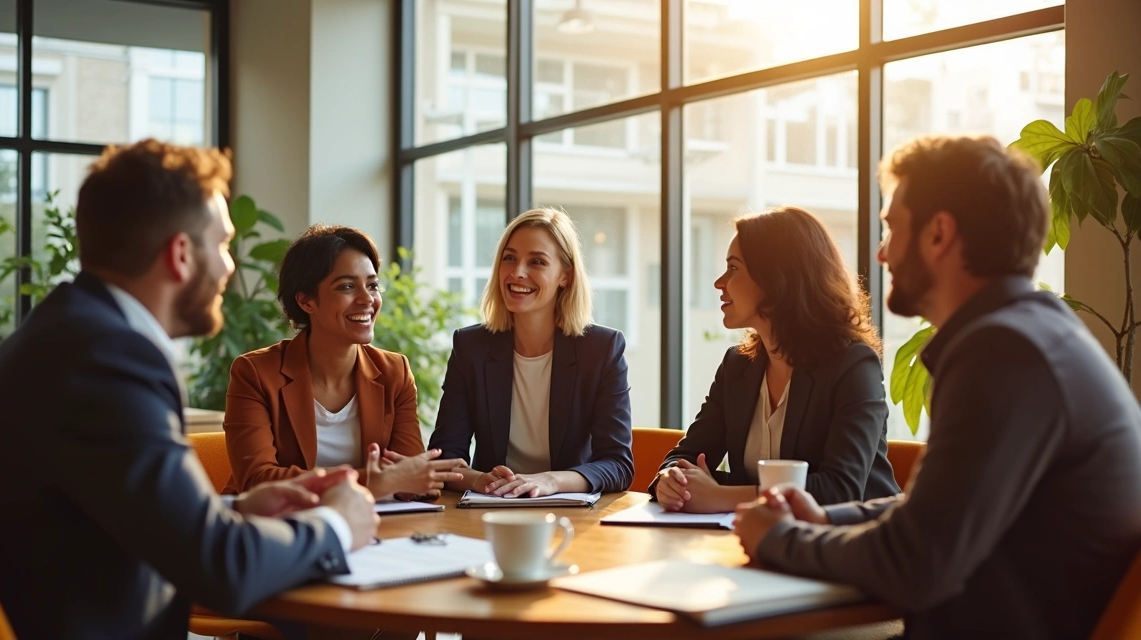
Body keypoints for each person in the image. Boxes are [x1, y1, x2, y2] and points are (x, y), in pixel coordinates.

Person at [0, 139, 378, 640]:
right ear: (181, 254)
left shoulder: (70, 334)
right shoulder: (105, 358)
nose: (229, 267)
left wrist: (235, 511)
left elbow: (110, 518)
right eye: (223, 245)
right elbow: (220, 569)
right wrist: (337, 526)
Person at [735, 134, 1141, 639]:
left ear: (938, 234)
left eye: (891, 228)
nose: (881, 255)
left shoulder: (1006, 353)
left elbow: (916, 560)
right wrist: (825, 519)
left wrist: (780, 539)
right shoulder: (1033, 335)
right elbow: (933, 510)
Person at [652, 206, 899, 513]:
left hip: (849, 547)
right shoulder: (738, 365)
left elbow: (840, 489)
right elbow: (686, 456)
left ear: (776, 279)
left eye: (733, 268)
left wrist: (722, 497)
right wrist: (671, 479)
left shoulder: (853, 365)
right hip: (761, 540)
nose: (719, 282)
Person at [223, 223, 465, 499]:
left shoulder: (394, 373)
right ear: (306, 301)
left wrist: (410, 479)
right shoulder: (255, 373)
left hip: (372, 527)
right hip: (274, 528)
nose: (367, 299)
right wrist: (373, 482)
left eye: (373, 285)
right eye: (347, 286)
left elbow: (412, 482)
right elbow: (258, 480)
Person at [429, 207, 634, 497]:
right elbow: (444, 457)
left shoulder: (601, 350)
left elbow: (618, 464)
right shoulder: (471, 347)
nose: (517, 272)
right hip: (491, 509)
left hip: (570, 513)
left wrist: (551, 481)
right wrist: (480, 480)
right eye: (509, 258)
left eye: (537, 262)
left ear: (565, 276)